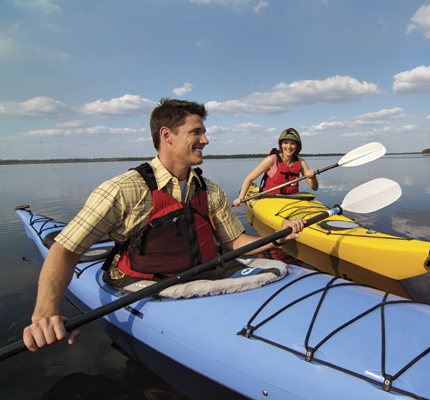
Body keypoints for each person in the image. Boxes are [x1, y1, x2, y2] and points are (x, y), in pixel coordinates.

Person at [22, 98, 306, 352]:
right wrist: (44, 314)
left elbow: (235, 242)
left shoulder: (211, 190)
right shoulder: (123, 190)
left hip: (201, 273)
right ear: (167, 135)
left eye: (204, 132)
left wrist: (280, 237)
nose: (205, 140)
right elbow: (66, 249)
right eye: (197, 132)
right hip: (144, 281)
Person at [232, 128, 318, 206]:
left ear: (297, 146)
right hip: (270, 199)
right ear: (281, 144)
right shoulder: (271, 160)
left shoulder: (301, 162)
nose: (288, 147)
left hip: (293, 199)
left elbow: (314, 188)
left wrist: (313, 177)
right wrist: (241, 198)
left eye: (292, 143)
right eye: (285, 143)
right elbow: (249, 178)